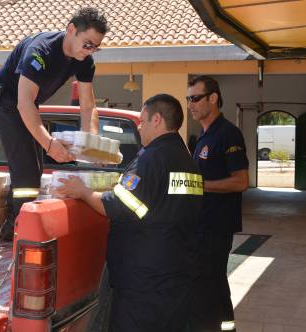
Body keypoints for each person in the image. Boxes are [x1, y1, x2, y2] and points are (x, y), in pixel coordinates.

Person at [58, 94, 203, 332]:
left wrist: (83, 191)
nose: (139, 126)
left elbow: (117, 205)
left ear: (157, 119)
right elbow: (157, 199)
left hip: (145, 281)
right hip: (177, 273)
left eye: (143, 121)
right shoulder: (187, 160)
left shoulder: (153, 158)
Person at [0, 7, 109, 241]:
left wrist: (91, 145)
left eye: (96, 46)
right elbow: (23, 103)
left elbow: (88, 107)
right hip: (6, 102)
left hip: (28, 105)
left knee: (34, 167)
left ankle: (13, 222)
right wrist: (50, 143)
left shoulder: (84, 61)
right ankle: (17, 232)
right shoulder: (40, 51)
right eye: (87, 44)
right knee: (26, 169)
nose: (90, 51)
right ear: (71, 30)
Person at [187, 76, 249, 332]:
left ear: (213, 98)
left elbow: (241, 181)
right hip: (202, 222)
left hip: (216, 224)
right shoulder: (204, 135)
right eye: (188, 98)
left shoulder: (227, 134)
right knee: (208, 280)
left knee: (211, 280)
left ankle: (222, 326)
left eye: (196, 98)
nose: (191, 104)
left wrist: (201, 185)